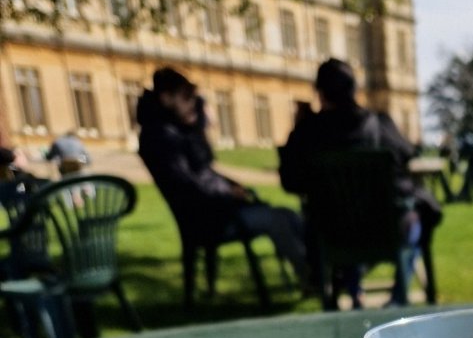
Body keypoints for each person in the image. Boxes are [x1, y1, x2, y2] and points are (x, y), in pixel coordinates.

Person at [279, 57, 441, 308]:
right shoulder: (379, 124)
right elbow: (408, 153)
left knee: (339, 218)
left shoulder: (308, 132)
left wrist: (300, 127)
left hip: (333, 235)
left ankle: (354, 294)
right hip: (388, 230)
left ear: (320, 94)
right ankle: (397, 297)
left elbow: (290, 181)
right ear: (355, 90)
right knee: (421, 215)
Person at [136, 67, 307, 283]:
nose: (191, 104)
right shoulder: (162, 137)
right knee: (279, 219)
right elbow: (188, 183)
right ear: (166, 98)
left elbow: (204, 168)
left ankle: (314, 272)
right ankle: (312, 278)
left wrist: (230, 186)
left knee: (288, 215)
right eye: (187, 98)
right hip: (211, 218)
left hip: (216, 210)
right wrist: (228, 192)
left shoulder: (175, 132)